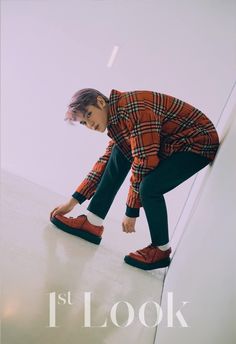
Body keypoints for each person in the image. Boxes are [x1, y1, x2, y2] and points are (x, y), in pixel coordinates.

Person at [50, 88, 219, 270]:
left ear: (100, 102)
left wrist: (131, 211)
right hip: (175, 143)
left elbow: (145, 162)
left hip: (198, 143)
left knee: (150, 188)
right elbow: (104, 163)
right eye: (84, 122)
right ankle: (92, 222)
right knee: (118, 153)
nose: (90, 124)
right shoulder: (117, 120)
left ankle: (161, 249)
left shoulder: (133, 109)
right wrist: (72, 201)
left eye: (89, 115)